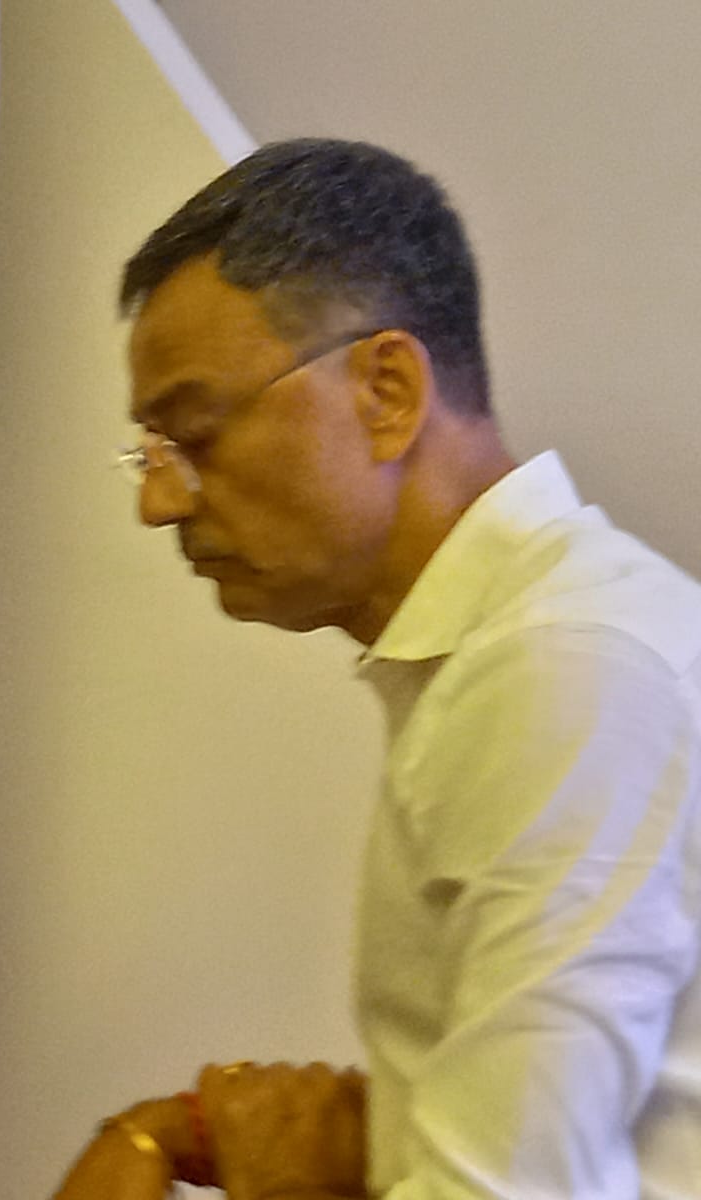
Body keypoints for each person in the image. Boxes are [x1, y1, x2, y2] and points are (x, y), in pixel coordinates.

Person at [54, 138, 701, 1199]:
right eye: (150, 451)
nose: (158, 502)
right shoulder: (522, 657)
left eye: (196, 435)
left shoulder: (564, 675)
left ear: (387, 390)